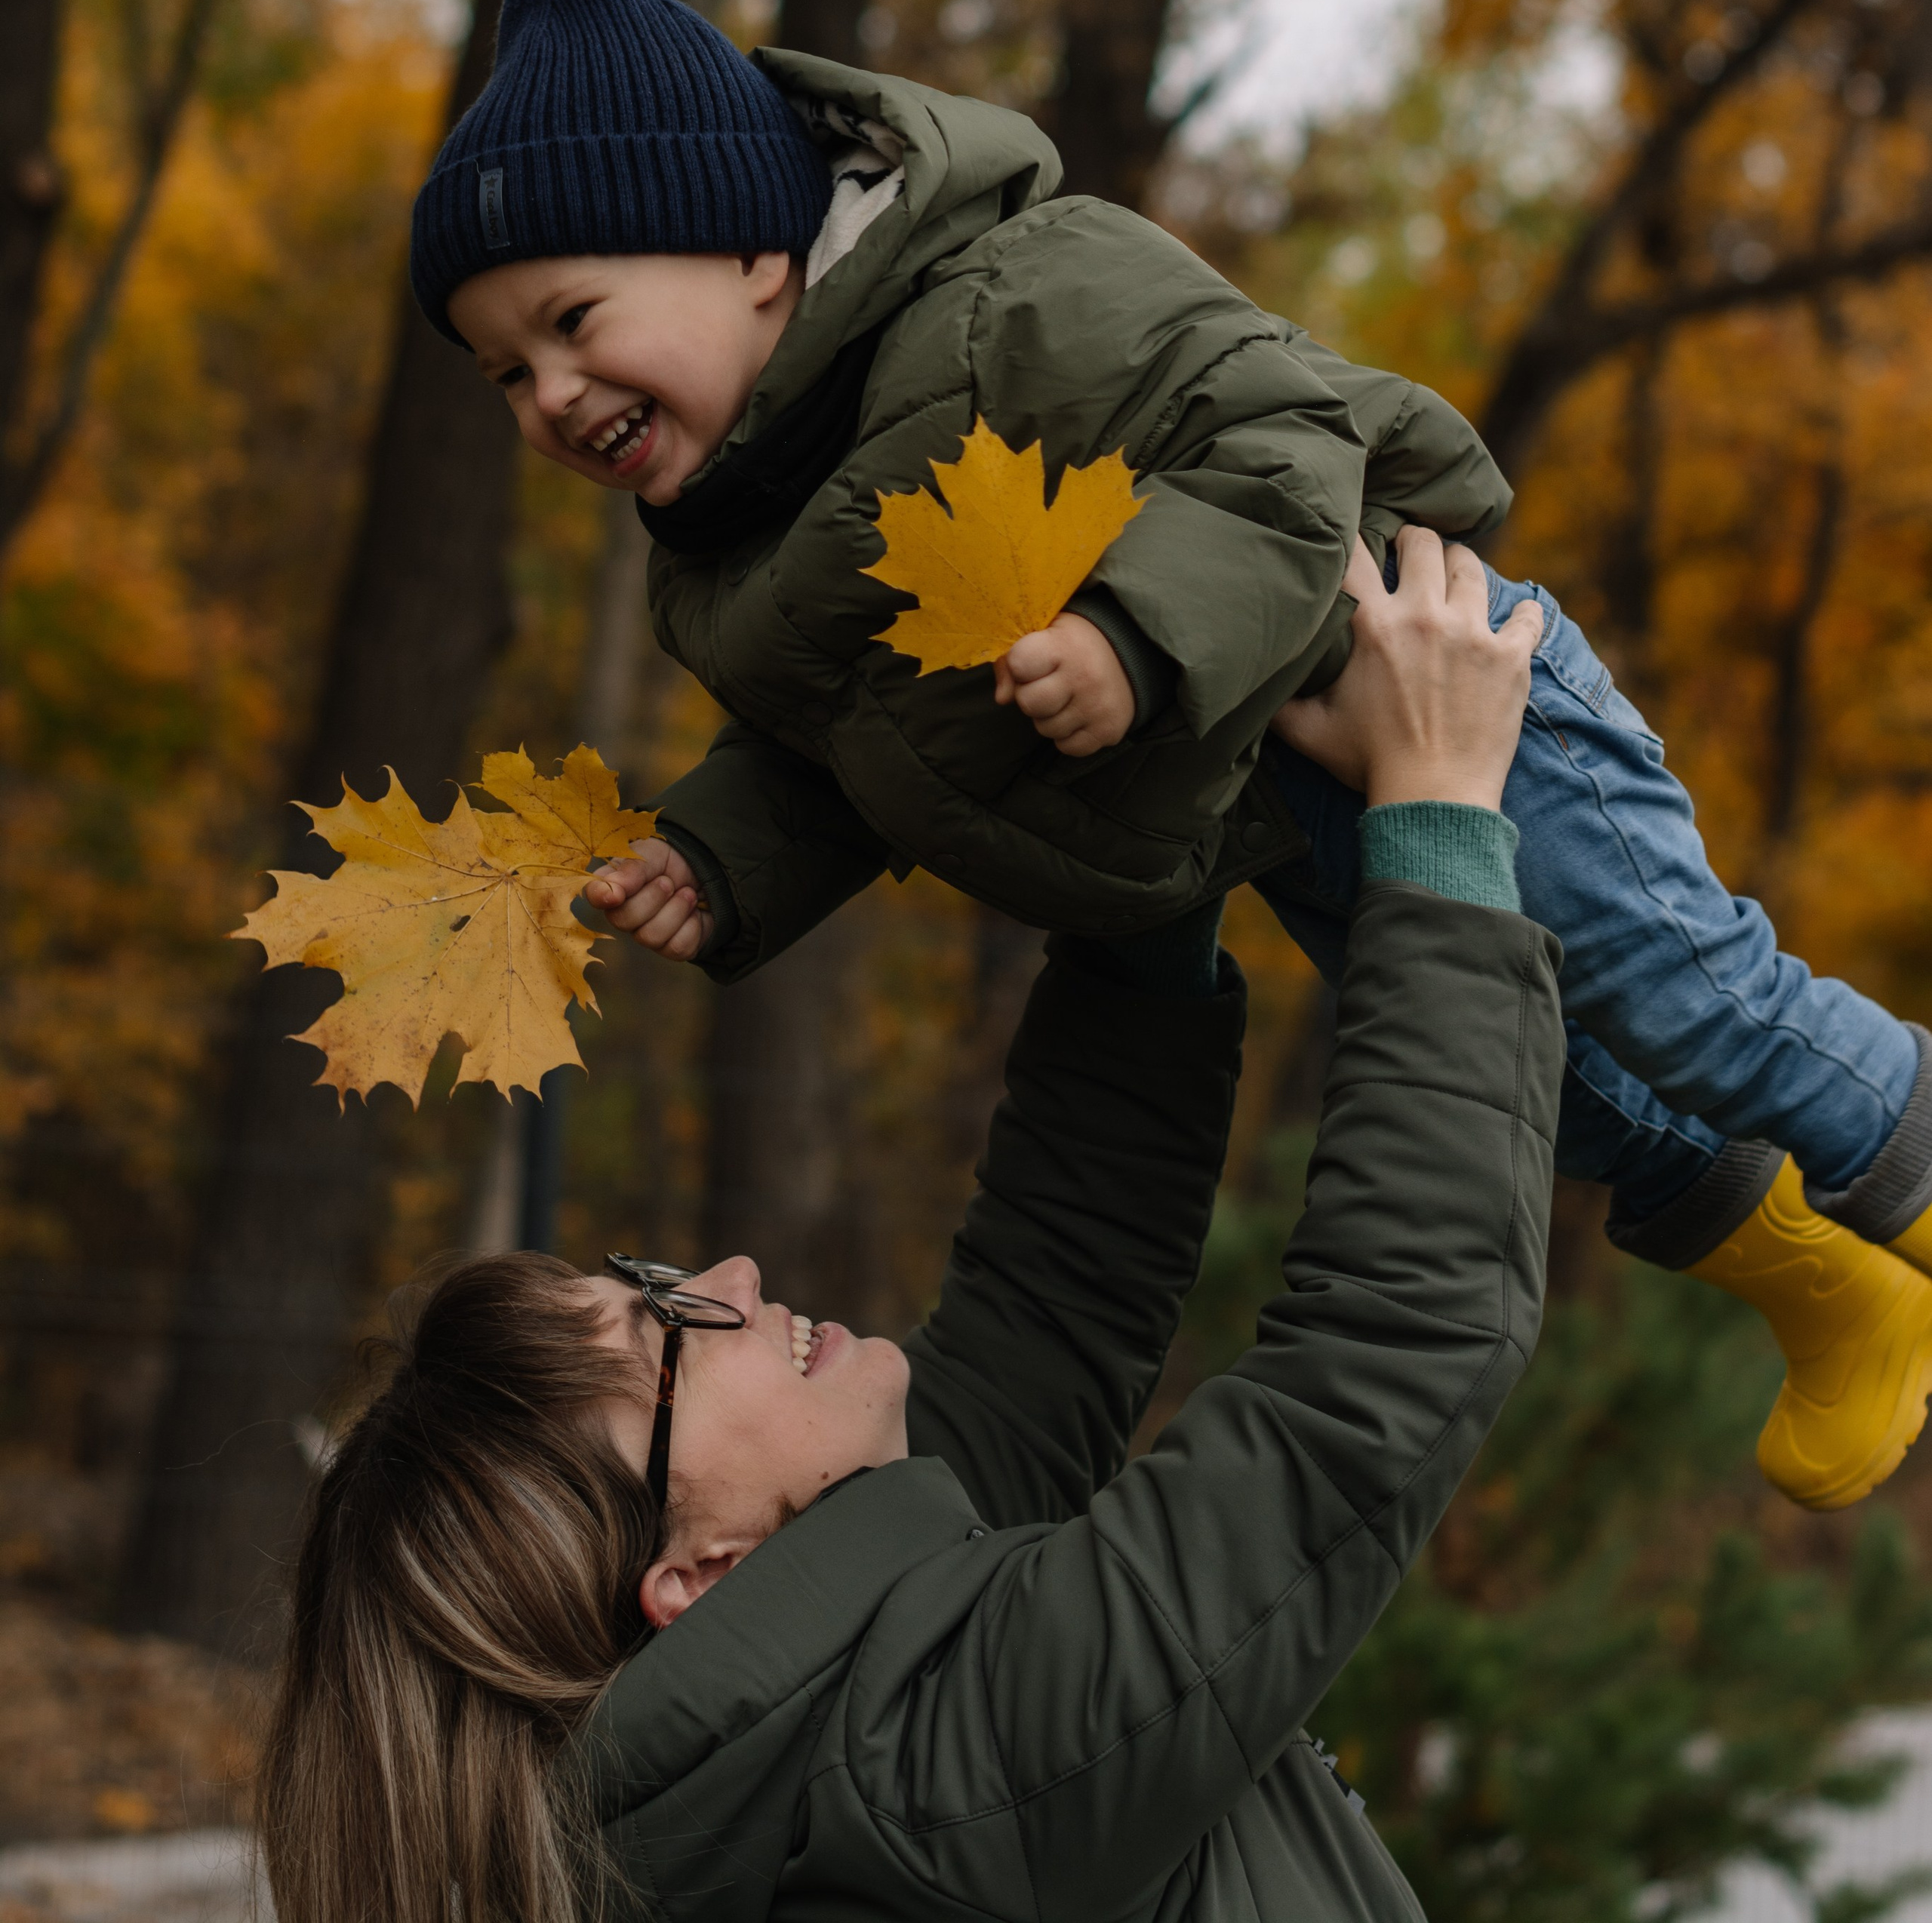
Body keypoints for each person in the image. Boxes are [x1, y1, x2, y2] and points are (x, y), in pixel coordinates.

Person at [408, 0, 1932, 1512]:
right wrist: (721, 861)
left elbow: (1284, 439)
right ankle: (1835, 1292)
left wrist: (1134, 635)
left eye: (575, 318)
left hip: (1421, 667)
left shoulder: (1018, 295)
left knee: (1682, 994)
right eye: (506, 373)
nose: (550, 392)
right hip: (1279, 809)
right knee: (1588, 1105)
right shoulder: (726, 558)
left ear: (748, 251)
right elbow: (841, 749)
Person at [263, 530, 1561, 1923]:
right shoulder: (938, 1789)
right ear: (692, 1576)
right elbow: (1384, 1357)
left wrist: (1143, 889)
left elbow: (1054, 1306)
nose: (733, 1275)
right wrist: (1439, 814)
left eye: (651, 1276)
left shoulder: (802, 1727)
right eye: (671, 1329)